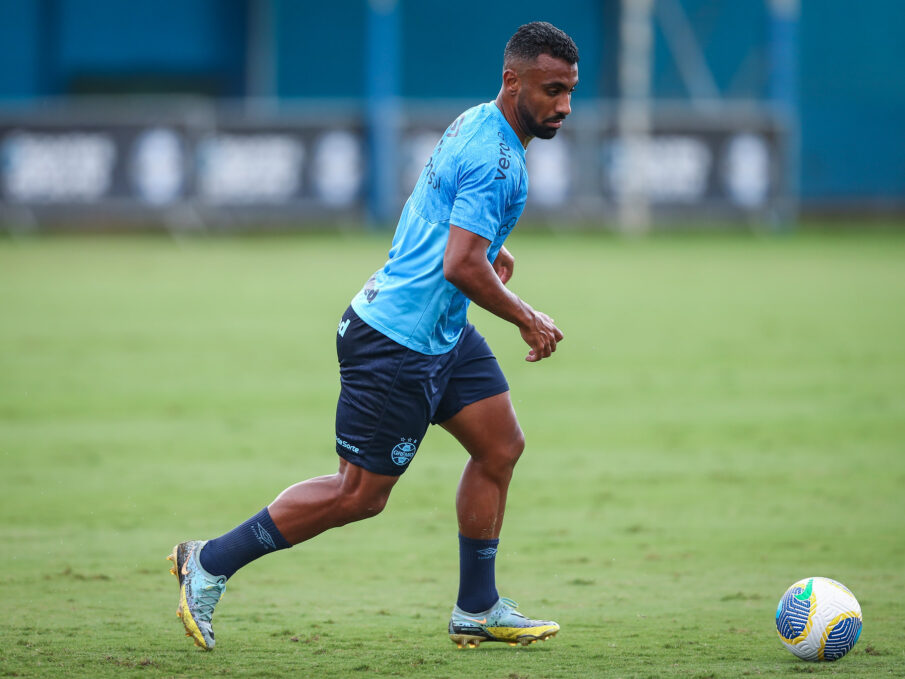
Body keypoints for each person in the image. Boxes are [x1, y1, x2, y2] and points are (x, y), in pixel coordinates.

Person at [168, 20, 579, 651]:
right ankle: (210, 561)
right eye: (552, 90)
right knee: (358, 495)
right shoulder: (494, 156)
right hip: (395, 342)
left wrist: (493, 249)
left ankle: (478, 607)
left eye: (570, 91)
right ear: (513, 79)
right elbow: (459, 265)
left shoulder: (476, 121)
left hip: (441, 332)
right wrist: (525, 314)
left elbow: (443, 222)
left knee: (499, 448)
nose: (564, 107)